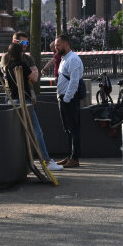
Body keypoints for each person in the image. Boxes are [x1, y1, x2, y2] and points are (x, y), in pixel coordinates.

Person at [0, 32, 61, 172]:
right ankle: (45, 159)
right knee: (35, 129)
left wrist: (31, 74)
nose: (25, 46)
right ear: (15, 42)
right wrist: (30, 74)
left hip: (17, 97)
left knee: (29, 130)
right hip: (21, 97)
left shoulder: (25, 59)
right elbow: (31, 76)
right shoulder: (14, 60)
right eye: (23, 43)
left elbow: (34, 77)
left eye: (27, 43)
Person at [55, 35, 84, 168]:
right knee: (67, 129)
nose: (56, 48)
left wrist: (66, 98)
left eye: (58, 45)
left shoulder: (73, 59)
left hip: (70, 100)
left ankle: (75, 158)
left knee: (73, 129)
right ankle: (68, 156)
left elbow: (74, 81)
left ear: (66, 44)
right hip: (64, 98)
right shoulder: (64, 59)